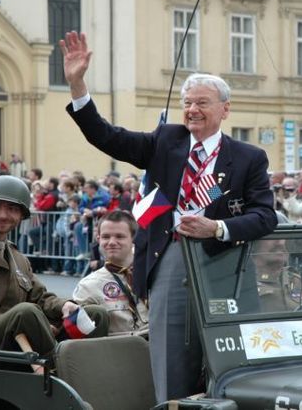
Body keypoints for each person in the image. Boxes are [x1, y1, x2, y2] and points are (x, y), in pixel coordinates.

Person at [61, 30, 277, 401]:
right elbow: (108, 136)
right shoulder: (166, 140)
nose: (192, 109)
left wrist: (218, 227)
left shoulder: (248, 157)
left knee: (228, 363)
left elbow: (265, 215)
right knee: (169, 362)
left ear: (225, 109)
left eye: (203, 103)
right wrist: (78, 85)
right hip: (169, 260)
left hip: (224, 268)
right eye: (188, 102)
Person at [0, 175, 109, 368]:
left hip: (10, 338)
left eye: (12, 209)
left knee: (94, 315)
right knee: (26, 313)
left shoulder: (17, 257)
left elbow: (39, 297)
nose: (3, 215)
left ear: (22, 215)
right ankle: (59, 372)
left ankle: (88, 370)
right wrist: (14, 323)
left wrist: (65, 306)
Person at [73, 210, 148, 336]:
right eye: (106, 237)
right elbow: (77, 335)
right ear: (99, 239)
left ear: (134, 239)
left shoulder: (154, 274)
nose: (112, 242)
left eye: (120, 236)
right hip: (118, 350)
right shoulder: (88, 286)